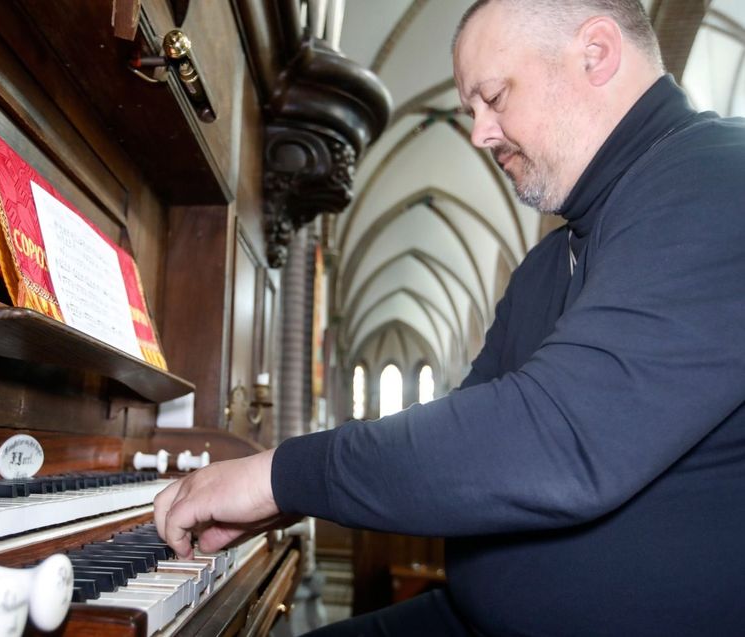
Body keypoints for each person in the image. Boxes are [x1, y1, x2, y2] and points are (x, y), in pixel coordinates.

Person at [155, 0, 745, 634]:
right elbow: (463, 439)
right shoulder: (547, 263)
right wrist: (285, 496)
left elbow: (554, 439)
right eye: (472, 110)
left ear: (595, 53)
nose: (480, 134)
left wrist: (281, 477)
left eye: (494, 97)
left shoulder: (721, 180)